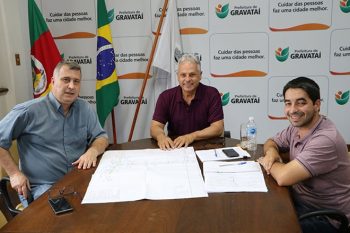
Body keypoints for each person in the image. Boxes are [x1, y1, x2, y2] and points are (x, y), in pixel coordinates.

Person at [0, 60, 109, 207]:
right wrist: (14, 174)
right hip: (44, 188)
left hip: (80, 181)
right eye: (66, 80)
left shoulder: (85, 108)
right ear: (52, 82)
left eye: (76, 81)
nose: (71, 86)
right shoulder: (28, 111)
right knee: (67, 221)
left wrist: (93, 151)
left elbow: (101, 137)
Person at [258, 77, 350, 233]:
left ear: (317, 105)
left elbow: (283, 177)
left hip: (327, 219)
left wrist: (266, 160)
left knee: (265, 226)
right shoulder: (297, 127)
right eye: (288, 103)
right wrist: (272, 153)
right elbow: (271, 141)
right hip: (299, 203)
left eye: (301, 103)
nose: (293, 110)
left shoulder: (325, 139)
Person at [151, 54, 224, 150]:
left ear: (200, 75)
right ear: (177, 76)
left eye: (192, 74)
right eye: (183, 75)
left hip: (206, 149)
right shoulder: (165, 96)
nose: (187, 79)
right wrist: (161, 137)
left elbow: (218, 128)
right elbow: (155, 126)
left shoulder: (212, 94)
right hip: (176, 149)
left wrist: (191, 136)